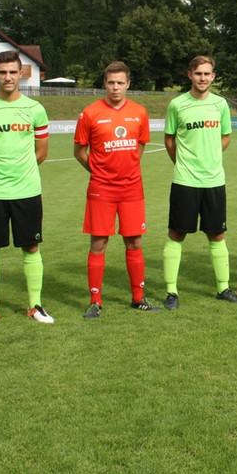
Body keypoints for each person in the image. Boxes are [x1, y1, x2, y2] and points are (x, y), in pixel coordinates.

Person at [0, 50, 53, 328]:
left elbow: (41, 153)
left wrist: (20, 174)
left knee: (31, 247)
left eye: (13, 72)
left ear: (21, 74)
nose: (8, 77)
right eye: (3, 72)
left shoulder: (35, 109)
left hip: (27, 191)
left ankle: (35, 306)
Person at [74, 61, 159, 318]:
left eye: (120, 82)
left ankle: (138, 298)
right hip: (102, 188)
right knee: (99, 241)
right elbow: (79, 151)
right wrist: (99, 172)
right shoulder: (90, 113)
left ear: (128, 84)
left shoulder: (139, 112)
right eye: (111, 82)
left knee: (134, 240)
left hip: (132, 188)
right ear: (105, 83)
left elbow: (140, 146)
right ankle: (95, 301)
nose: (115, 87)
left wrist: (128, 169)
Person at [162, 55, 237, 307]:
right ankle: (172, 292)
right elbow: (170, 141)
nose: (203, 78)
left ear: (213, 77)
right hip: (185, 181)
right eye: (198, 74)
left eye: (207, 74)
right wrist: (185, 164)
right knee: (177, 233)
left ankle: (223, 288)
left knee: (217, 234)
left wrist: (210, 158)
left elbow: (226, 137)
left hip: (214, 181)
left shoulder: (220, 105)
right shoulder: (177, 105)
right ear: (190, 75)